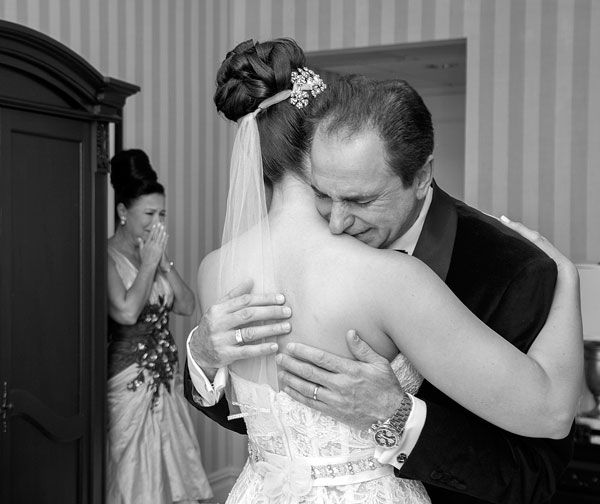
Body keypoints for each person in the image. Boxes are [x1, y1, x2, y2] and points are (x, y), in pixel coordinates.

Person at [184, 39, 582, 503]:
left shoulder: (215, 268)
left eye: (360, 199)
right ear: (318, 151)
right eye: (327, 195)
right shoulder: (391, 278)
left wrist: (396, 413)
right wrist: (202, 355)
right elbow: (252, 413)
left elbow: (538, 454)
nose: (338, 222)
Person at [106, 149, 212, 504]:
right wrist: (149, 264)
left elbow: (187, 305)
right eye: (149, 214)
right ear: (123, 212)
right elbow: (126, 312)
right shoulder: (106, 256)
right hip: (128, 383)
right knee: (133, 475)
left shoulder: (154, 256)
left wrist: (164, 265)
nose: (157, 223)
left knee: (173, 470)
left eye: (162, 214)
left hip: (166, 380)